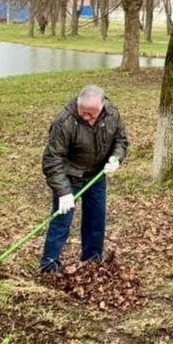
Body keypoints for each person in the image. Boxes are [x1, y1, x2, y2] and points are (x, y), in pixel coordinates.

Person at [40, 85, 129, 272]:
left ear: (102, 106)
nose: (86, 117)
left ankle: (92, 262)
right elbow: (52, 159)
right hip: (69, 176)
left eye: (91, 114)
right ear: (78, 104)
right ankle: (49, 265)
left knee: (96, 220)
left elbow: (121, 140)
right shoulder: (64, 122)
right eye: (83, 112)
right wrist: (63, 192)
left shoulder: (112, 115)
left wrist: (116, 158)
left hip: (96, 176)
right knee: (61, 220)